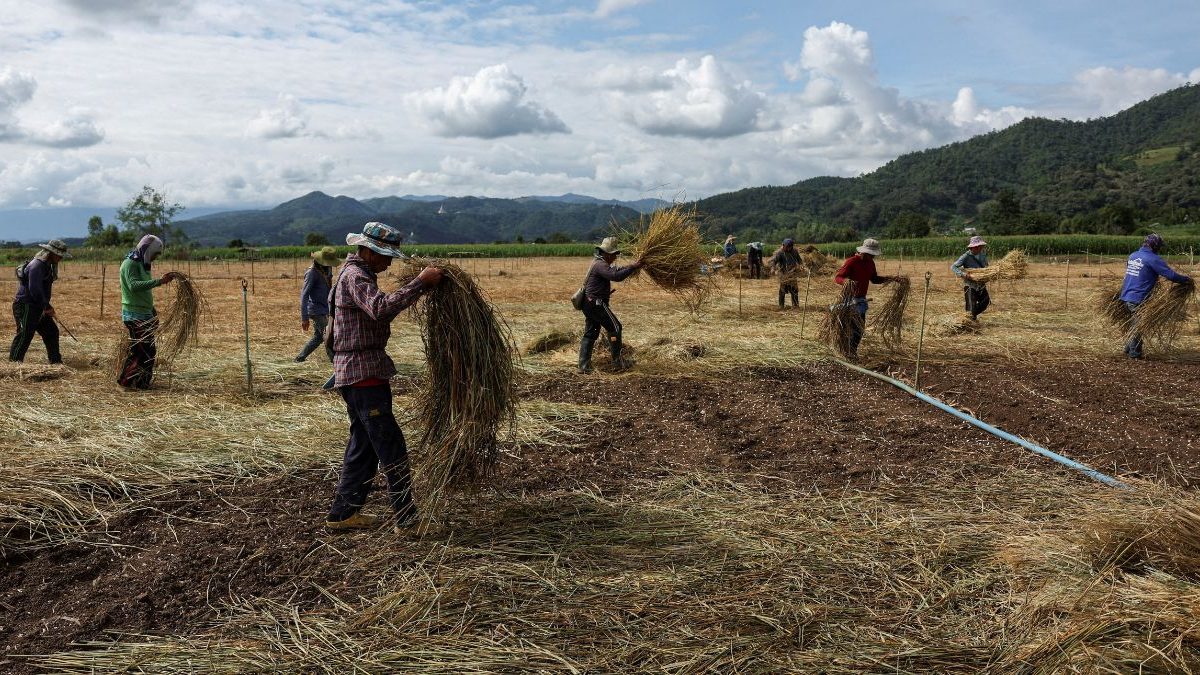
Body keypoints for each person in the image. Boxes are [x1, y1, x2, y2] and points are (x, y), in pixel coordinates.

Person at [325, 222, 443, 532]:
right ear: (366, 250)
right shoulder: (356, 276)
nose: (388, 262)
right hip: (364, 377)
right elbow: (381, 308)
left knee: (363, 445)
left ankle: (343, 514)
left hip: (358, 372)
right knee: (391, 445)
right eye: (383, 255)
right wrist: (421, 282)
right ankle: (408, 520)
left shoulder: (353, 275)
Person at [117, 235, 181, 389]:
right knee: (141, 351)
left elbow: (144, 292)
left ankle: (142, 384)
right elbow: (134, 286)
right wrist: (160, 281)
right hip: (134, 315)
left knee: (149, 351)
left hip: (144, 313)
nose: (155, 257)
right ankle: (126, 383)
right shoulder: (130, 263)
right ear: (148, 250)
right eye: (155, 254)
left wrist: (152, 311)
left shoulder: (142, 264)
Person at [1119, 233, 1191, 360]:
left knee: (1135, 323)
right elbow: (1171, 276)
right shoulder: (1153, 259)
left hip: (1125, 295)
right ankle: (1134, 353)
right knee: (1139, 325)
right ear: (1155, 246)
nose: (1160, 249)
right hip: (1138, 297)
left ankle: (1128, 348)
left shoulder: (1133, 255)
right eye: (1159, 246)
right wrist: (1186, 280)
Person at [578, 236, 643, 374]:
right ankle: (617, 362)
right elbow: (616, 276)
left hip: (588, 303)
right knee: (615, 328)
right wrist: (633, 266)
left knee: (591, 332)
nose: (615, 257)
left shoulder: (598, 263)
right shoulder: (600, 265)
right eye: (614, 255)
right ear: (607, 253)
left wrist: (631, 267)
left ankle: (583, 366)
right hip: (596, 304)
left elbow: (616, 272)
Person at [834, 238, 899, 358]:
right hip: (848, 300)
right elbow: (838, 277)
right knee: (851, 327)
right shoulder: (851, 262)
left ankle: (851, 351)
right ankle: (847, 352)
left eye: (874, 255)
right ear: (864, 252)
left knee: (859, 328)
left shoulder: (870, 263)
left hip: (860, 300)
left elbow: (874, 279)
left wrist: (892, 278)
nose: (873, 258)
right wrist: (846, 281)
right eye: (871, 255)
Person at [10, 239, 71, 364]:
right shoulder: (37, 266)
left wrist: (45, 306)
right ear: (51, 253)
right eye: (59, 255)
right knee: (25, 335)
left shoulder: (47, 265)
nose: (60, 258)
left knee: (51, 331)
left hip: (37, 305)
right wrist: (47, 306)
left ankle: (56, 362)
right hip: (26, 305)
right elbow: (35, 289)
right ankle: (14, 364)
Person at [294, 246, 340, 362]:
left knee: (319, 337)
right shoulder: (312, 273)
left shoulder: (327, 269)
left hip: (326, 308)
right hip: (316, 310)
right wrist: (304, 318)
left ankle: (300, 358)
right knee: (328, 337)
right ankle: (336, 362)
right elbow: (304, 295)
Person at [951, 235, 990, 320]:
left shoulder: (982, 255)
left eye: (982, 247)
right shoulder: (965, 257)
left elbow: (986, 266)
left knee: (986, 302)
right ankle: (970, 320)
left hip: (981, 285)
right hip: (970, 285)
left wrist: (987, 273)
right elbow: (953, 267)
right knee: (971, 307)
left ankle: (969, 316)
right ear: (975, 247)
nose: (981, 248)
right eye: (980, 247)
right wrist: (965, 275)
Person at [769, 238, 802, 308]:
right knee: (782, 290)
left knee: (794, 290)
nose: (785, 248)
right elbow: (773, 261)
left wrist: (800, 266)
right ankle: (781, 306)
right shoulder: (780, 252)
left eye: (787, 247)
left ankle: (795, 305)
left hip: (792, 273)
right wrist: (773, 268)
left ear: (791, 246)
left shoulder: (795, 251)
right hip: (784, 274)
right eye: (784, 246)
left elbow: (799, 261)